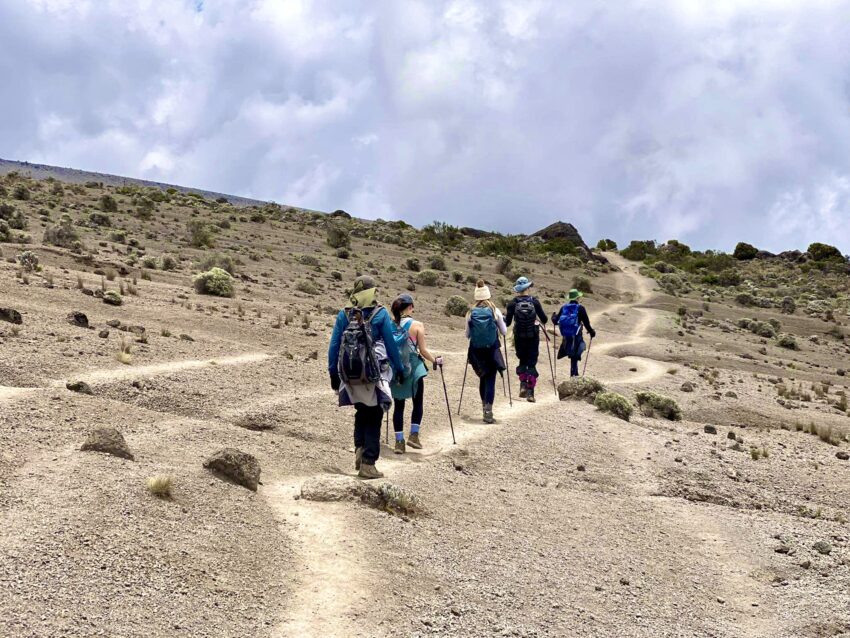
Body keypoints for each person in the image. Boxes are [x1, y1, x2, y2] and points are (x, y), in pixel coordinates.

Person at [328, 275, 404, 479]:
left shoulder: (344, 315)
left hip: (350, 374)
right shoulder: (380, 314)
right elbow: (390, 345)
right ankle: (369, 463)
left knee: (361, 411)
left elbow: (334, 345)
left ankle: (359, 449)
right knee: (375, 414)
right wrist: (400, 369)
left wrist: (333, 373)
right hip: (372, 373)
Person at [389, 294, 443, 454]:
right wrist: (435, 361)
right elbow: (423, 350)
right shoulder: (417, 325)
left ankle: (399, 442)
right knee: (417, 402)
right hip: (414, 367)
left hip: (397, 369)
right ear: (410, 307)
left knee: (398, 406)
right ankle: (414, 435)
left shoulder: (391, 325)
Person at [465, 279, 507, 423]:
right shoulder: (495, 311)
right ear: (488, 295)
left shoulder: (471, 312)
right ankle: (488, 410)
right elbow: (504, 331)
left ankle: (484, 406)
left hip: (476, 351)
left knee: (483, 376)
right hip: (492, 349)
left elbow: (467, 334)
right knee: (490, 378)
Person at [504, 276, 548, 403]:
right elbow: (544, 320)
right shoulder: (534, 302)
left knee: (522, 360)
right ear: (528, 288)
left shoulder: (512, 303)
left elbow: (507, 323)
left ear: (518, 289)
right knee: (532, 363)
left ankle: (523, 384)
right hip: (533, 337)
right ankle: (530, 393)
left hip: (519, 337)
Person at [552, 288, 596, 377]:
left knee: (572, 353)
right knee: (575, 354)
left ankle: (574, 373)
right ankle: (574, 374)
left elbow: (555, 321)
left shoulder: (564, 308)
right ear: (577, 298)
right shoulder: (581, 308)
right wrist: (592, 332)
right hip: (576, 335)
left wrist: (553, 316)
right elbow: (587, 323)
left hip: (566, 335)